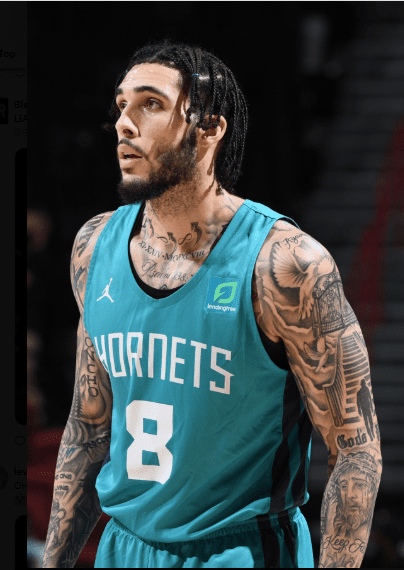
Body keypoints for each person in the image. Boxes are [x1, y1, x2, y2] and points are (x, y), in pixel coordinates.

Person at [41, 40, 382, 568]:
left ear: (209, 128)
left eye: (150, 104)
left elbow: (356, 450)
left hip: (240, 550)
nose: (124, 123)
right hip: (123, 548)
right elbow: (88, 430)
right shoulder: (94, 246)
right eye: (122, 105)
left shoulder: (285, 265)